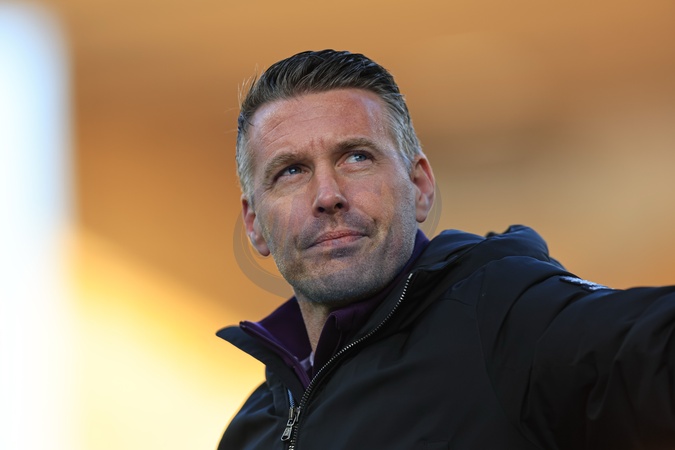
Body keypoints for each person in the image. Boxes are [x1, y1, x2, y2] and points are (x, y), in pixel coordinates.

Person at [216, 49, 675, 449]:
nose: (328, 195)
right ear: (255, 224)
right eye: (291, 171)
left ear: (419, 186)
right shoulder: (252, 429)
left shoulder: (505, 316)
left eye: (357, 157)